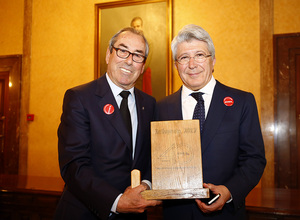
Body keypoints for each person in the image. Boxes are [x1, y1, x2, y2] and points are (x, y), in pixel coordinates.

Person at [156, 24, 266, 219]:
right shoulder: (161, 107)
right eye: (184, 57)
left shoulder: (241, 102)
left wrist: (230, 190)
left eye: (199, 55)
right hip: (176, 213)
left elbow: (254, 159)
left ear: (213, 60)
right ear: (176, 65)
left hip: (225, 214)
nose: (192, 64)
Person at [54, 27, 161, 220]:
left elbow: (153, 158)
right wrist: (117, 201)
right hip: (87, 213)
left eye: (138, 55)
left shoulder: (149, 104)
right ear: (108, 54)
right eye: (123, 50)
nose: (129, 60)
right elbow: (73, 165)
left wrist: (146, 184)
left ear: (143, 65)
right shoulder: (79, 98)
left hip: (135, 215)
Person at [130, 17, 152, 95]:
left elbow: (146, 63)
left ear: (142, 27)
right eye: (134, 27)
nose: (136, 28)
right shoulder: (129, 42)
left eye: (138, 26)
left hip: (143, 74)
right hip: (131, 73)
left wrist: (133, 68)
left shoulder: (148, 42)